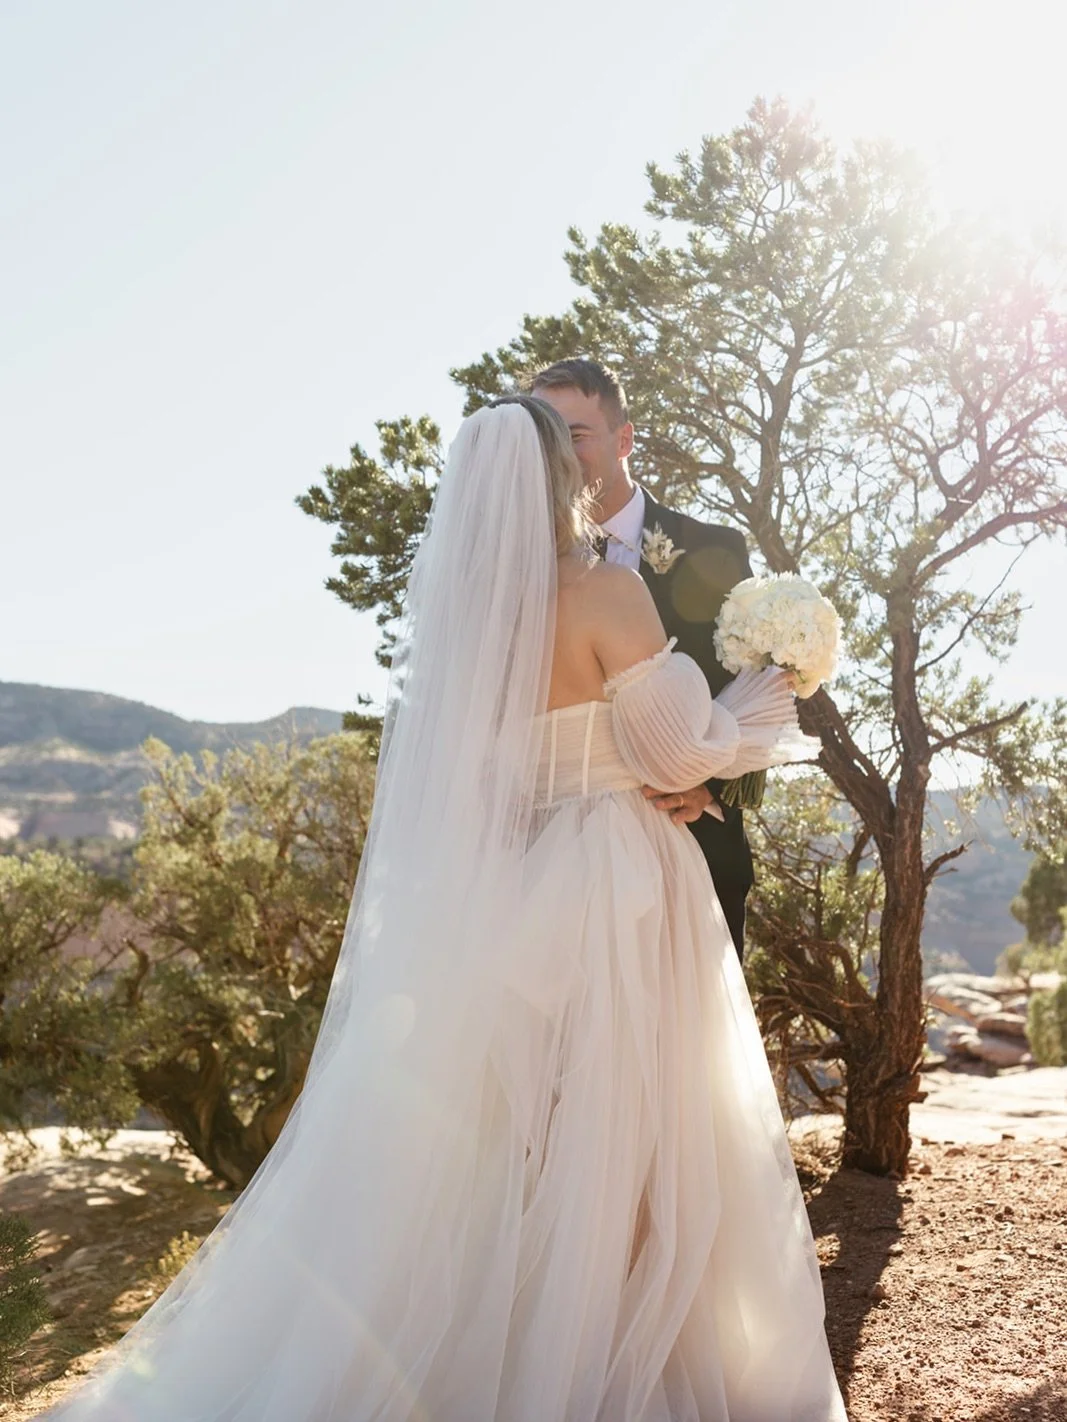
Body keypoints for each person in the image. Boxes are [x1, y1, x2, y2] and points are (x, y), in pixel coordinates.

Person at [43, 398, 847, 1421]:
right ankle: (616, 1366)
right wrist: (763, 698)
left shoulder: (467, 627)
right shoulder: (606, 592)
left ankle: (529, 1349)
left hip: (521, 889)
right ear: (557, 478)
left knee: (535, 1139)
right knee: (644, 1129)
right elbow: (675, 755)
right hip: (620, 878)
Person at [531, 359, 757, 960]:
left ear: (623, 439)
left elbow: (772, 693)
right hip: (551, 881)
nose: (560, 455)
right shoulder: (515, 577)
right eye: (545, 437)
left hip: (697, 860)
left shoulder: (715, 550)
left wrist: (711, 788)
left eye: (574, 436)